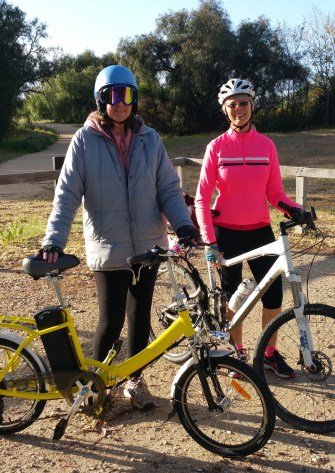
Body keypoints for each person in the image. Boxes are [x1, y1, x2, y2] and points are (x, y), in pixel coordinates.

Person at [40, 65, 199, 409]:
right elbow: (67, 194)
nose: (120, 103)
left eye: (126, 94)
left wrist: (183, 224)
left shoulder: (150, 139)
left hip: (148, 246)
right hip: (108, 246)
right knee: (110, 321)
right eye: (112, 95)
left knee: (139, 318)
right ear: (101, 99)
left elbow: (168, 189)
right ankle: (95, 387)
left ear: (134, 98)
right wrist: (54, 238)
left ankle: (135, 382)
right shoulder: (84, 140)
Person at [194, 78, 306, 379]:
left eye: (244, 103)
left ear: (252, 106)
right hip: (226, 232)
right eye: (232, 105)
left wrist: (297, 210)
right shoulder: (216, 148)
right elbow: (203, 198)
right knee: (233, 299)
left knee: (272, 297)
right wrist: (209, 241)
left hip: (259, 231)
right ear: (225, 110)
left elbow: (275, 194)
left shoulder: (266, 145)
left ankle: (269, 353)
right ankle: (237, 353)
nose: (238, 109)